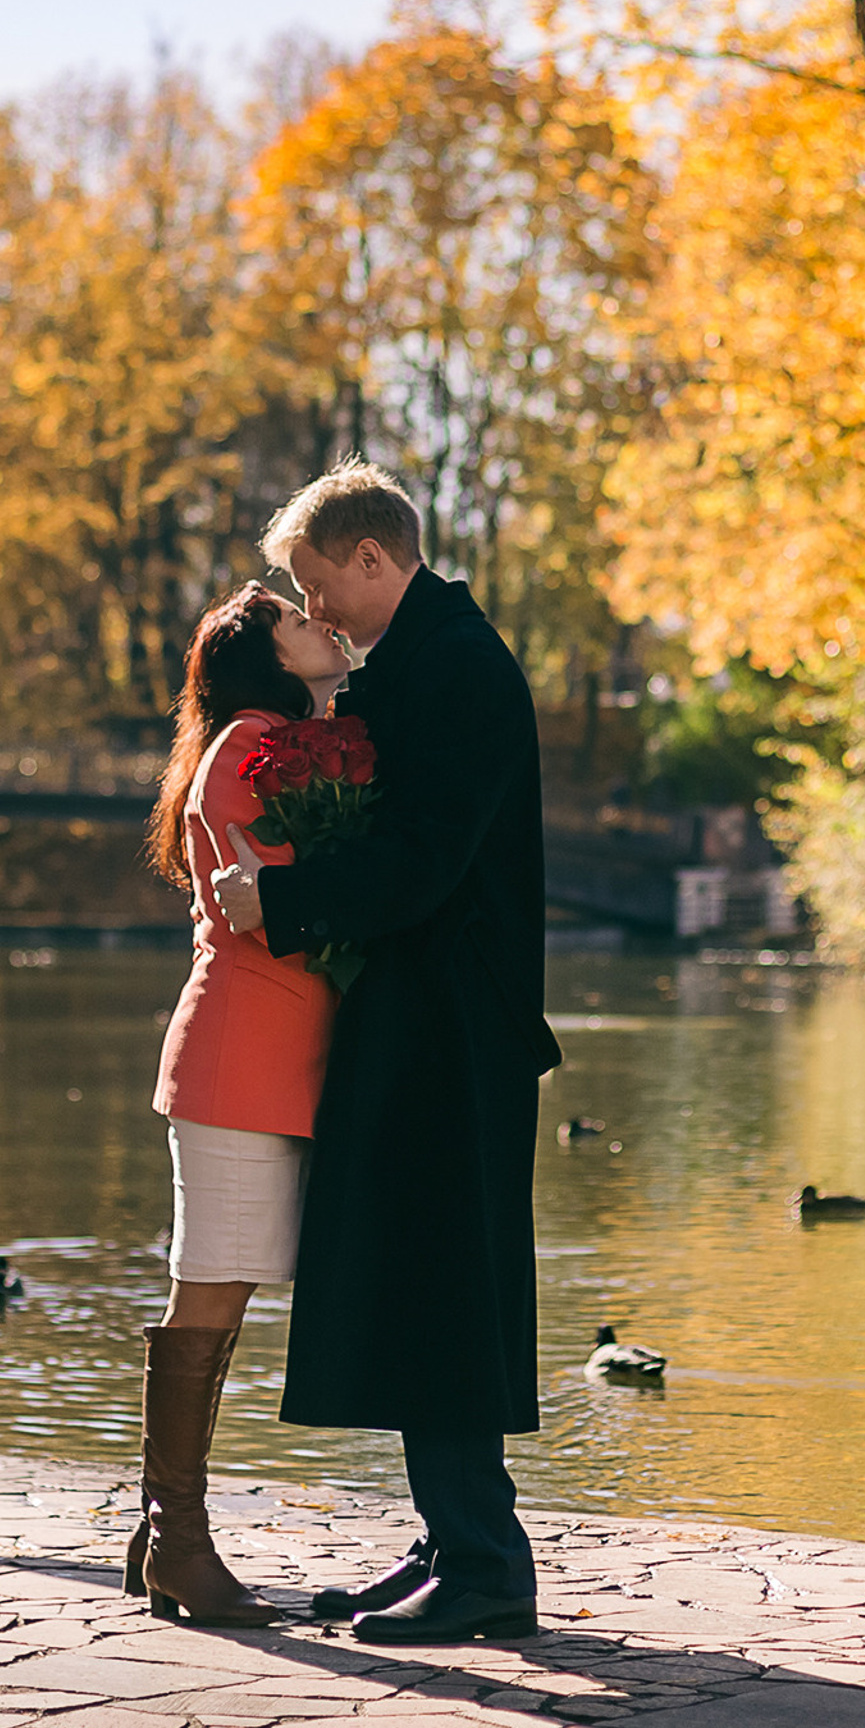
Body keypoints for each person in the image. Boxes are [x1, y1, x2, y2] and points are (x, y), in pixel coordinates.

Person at [212, 461, 558, 1644]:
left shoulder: (457, 667)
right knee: (421, 1279)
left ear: (372, 556)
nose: (315, 609)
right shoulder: (419, 660)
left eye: (318, 583)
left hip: (453, 1026)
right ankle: (453, 1540)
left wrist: (283, 899)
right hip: (422, 1017)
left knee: (445, 1284)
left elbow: (425, 859)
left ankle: (484, 1560)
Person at [129, 581, 352, 1625]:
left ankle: (160, 1533)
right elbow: (269, 904)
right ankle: (179, 1541)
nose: (321, 624)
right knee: (211, 1294)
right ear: (264, 658)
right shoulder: (248, 748)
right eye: (297, 622)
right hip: (237, 1059)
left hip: (271, 1058)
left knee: (223, 1293)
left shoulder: (276, 739)